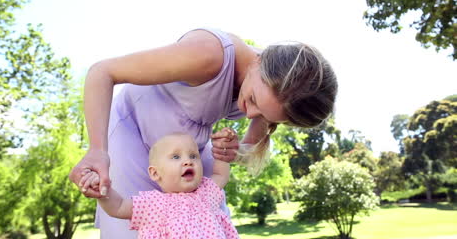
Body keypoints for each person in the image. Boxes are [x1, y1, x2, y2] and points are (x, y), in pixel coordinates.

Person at [69, 28, 338, 238]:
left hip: (189, 152)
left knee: (210, 222)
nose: (251, 114)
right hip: (134, 134)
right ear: (259, 62)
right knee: (130, 229)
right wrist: (97, 150)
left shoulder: (273, 98)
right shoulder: (209, 54)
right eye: (254, 100)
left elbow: (241, 154)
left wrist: (232, 151)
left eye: (266, 116)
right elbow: (102, 72)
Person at [79, 132, 239, 239]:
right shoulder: (152, 204)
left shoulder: (207, 192)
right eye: (176, 157)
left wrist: (222, 147)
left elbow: (220, 174)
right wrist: (101, 190)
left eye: (193, 156)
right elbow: (119, 206)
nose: (188, 161)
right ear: (155, 173)